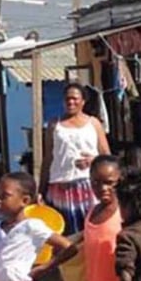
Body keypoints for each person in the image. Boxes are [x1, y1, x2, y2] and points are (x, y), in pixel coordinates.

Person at [41, 82, 111, 236]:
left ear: (83, 101)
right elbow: (48, 158)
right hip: (60, 188)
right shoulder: (54, 125)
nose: (71, 102)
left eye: (75, 99)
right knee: (64, 233)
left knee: (90, 230)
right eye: (67, 99)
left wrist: (94, 160)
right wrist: (41, 190)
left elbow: (107, 155)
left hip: (87, 187)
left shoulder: (93, 124)